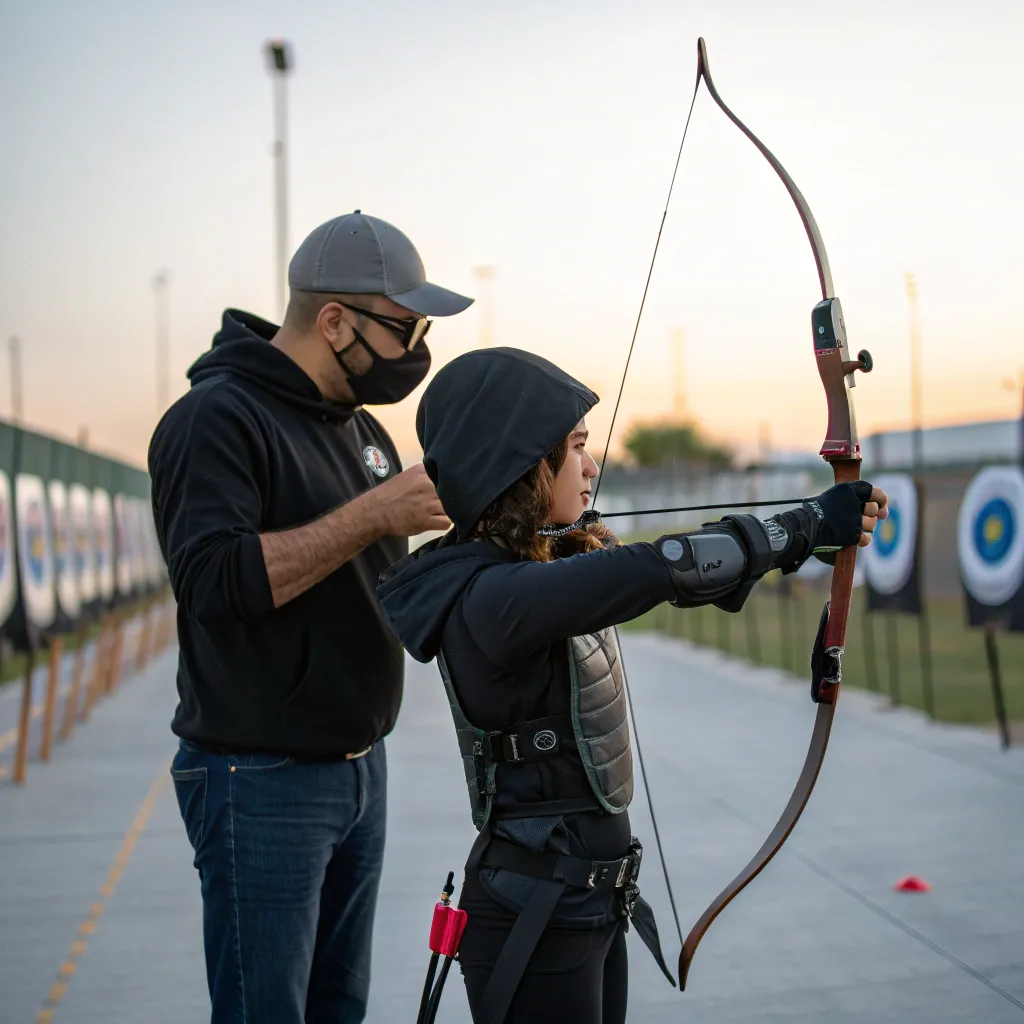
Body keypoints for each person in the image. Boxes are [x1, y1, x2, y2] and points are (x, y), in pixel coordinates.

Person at [376, 347, 888, 1024]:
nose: (590, 467)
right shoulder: (490, 599)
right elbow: (660, 569)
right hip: (537, 914)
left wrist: (808, 542)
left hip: (585, 902)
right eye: (576, 448)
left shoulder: (540, 567)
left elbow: (680, 577)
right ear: (523, 465)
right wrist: (801, 525)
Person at [148, 211, 472, 1023]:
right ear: (334, 321)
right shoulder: (214, 418)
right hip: (258, 778)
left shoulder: (363, 430)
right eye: (403, 326)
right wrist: (371, 514)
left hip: (360, 767)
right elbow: (214, 582)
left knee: (339, 1007)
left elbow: (381, 580)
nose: (416, 349)